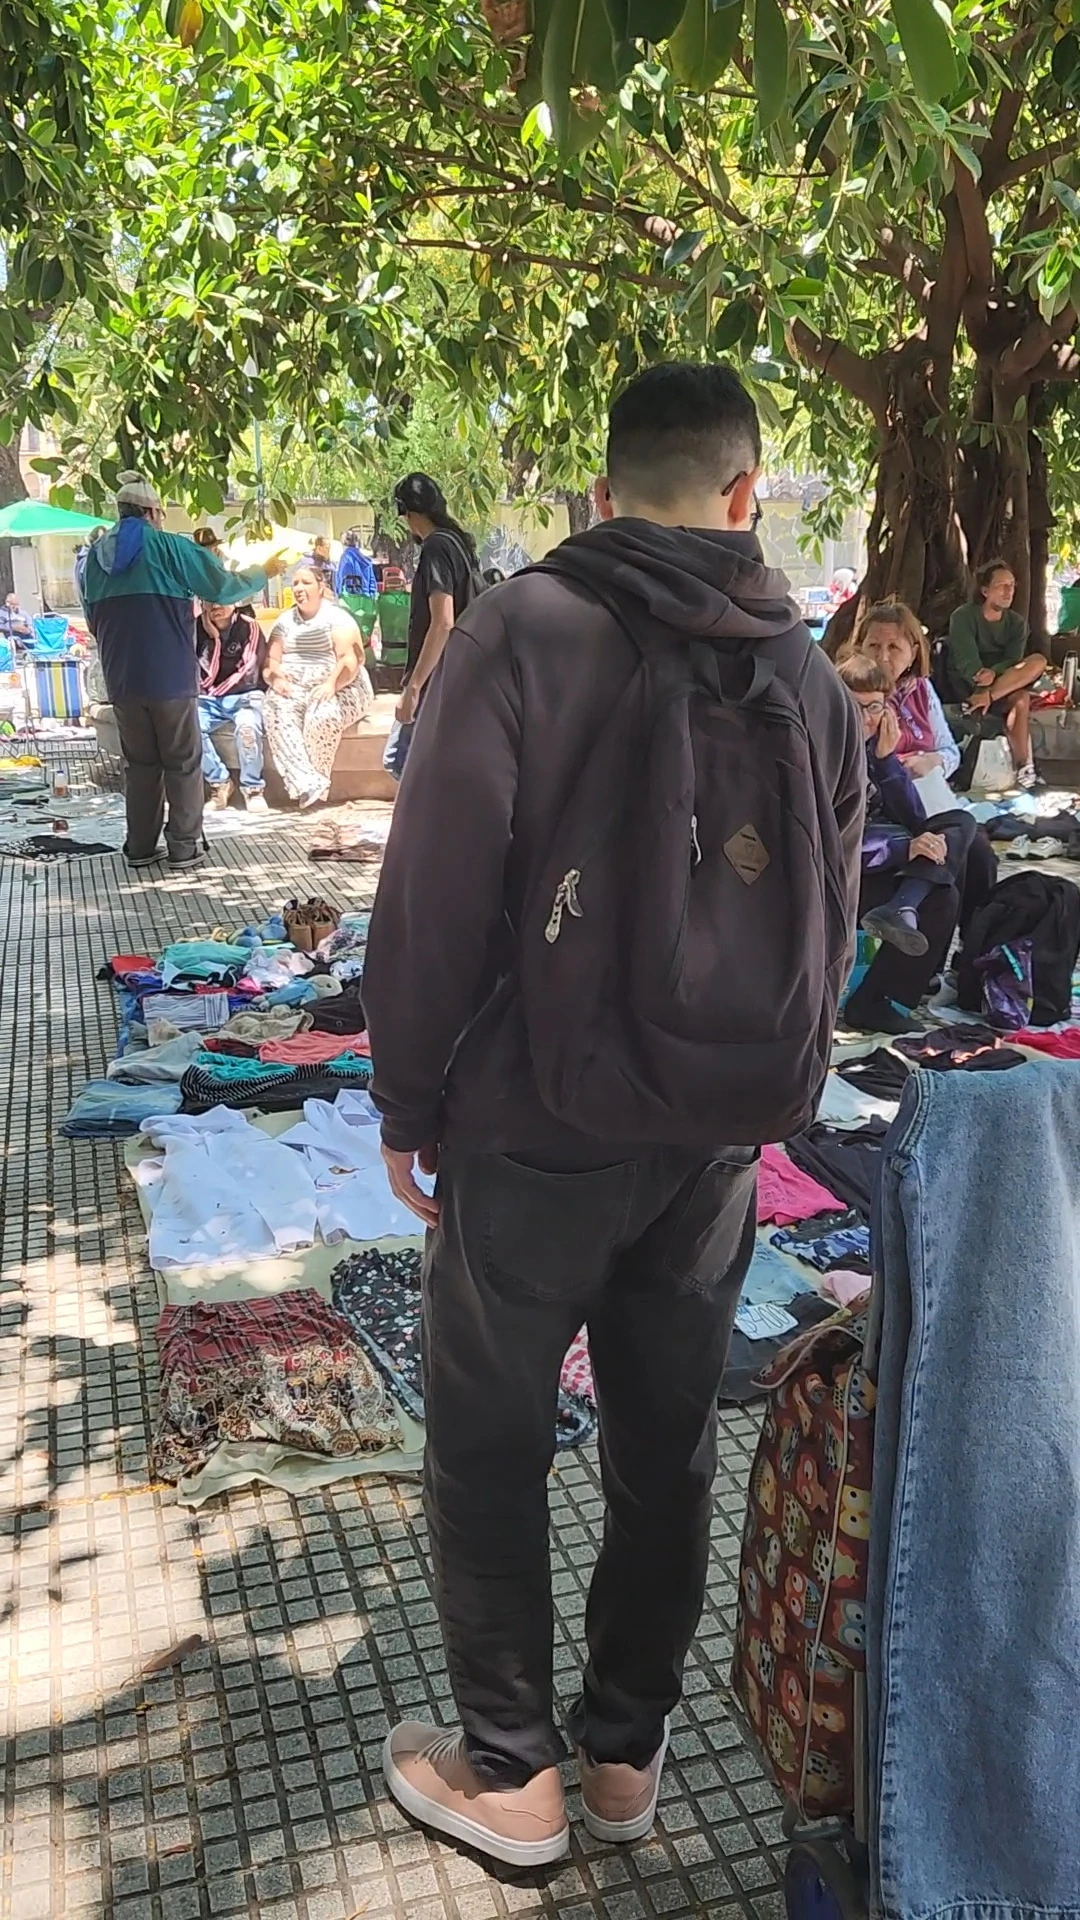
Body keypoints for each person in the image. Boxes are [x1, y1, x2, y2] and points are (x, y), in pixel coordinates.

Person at [362, 363, 865, 1868]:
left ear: (599, 492)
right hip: (715, 1140)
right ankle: (627, 1759)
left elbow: (434, 892)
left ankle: (509, 1774)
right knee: (665, 1444)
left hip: (539, 1122)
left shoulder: (524, 629)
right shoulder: (811, 672)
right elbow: (831, 921)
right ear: (744, 495)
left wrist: (404, 1094)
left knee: (491, 1433)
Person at [81, 471, 279, 869]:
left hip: (122, 679)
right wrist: (264, 571)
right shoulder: (171, 548)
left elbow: (92, 622)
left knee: (139, 765)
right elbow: (222, 589)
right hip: (169, 677)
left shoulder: (92, 562)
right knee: (182, 762)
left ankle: (139, 848)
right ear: (153, 511)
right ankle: (183, 848)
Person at [838, 655, 994, 1034]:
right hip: (838, 872)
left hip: (876, 862)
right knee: (940, 890)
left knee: (959, 825)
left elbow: (913, 818)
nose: (865, 718)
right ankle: (904, 906)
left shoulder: (876, 752)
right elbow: (834, 836)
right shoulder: (824, 753)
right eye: (854, 706)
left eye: (874, 707)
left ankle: (902, 910)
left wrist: (887, 760)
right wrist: (902, 850)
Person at [262, 564, 373, 806]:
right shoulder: (284, 621)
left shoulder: (337, 618)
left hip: (343, 685)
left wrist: (330, 685)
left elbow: (350, 660)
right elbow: (271, 660)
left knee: (322, 715)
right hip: (296, 688)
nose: (299, 588)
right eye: (295, 584)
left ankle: (317, 783)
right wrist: (276, 678)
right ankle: (307, 782)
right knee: (275, 709)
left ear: (321, 587)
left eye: (306, 582)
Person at [389, 471, 479, 747]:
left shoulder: (436, 548)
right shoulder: (456, 543)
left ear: (408, 513)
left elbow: (442, 622)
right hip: (460, 675)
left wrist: (413, 688)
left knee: (399, 758)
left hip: (439, 678)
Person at [946, 561, 1047, 787]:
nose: (1008, 591)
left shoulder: (1017, 624)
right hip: (970, 684)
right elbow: (966, 662)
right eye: (1001, 585)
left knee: (1037, 663)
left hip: (1000, 686)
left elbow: (1014, 661)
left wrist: (994, 676)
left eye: (1011, 585)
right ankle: (985, 698)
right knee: (1020, 697)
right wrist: (983, 680)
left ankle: (1025, 770)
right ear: (985, 590)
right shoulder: (963, 617)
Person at [854, 599, 960, 777]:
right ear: (860, 648)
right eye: (874, 646)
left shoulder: (922, 688)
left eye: (893, 647)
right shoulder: (852, 693)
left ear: (913, 654)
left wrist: (931, 762)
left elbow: (950, 752)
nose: (883, 657)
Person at [196, 600, 269, 812]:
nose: (215, 607)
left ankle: (253, 788)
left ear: (234, 602)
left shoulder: (248, 626)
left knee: (247, 728)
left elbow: (249, 670)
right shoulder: (196, 628)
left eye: (220, 601)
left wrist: (216, 690)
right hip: (209, 699)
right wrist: (214, 639)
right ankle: (219, 783)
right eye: (209, 602)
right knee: (188, 728)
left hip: (244, 695)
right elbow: (196, 671)